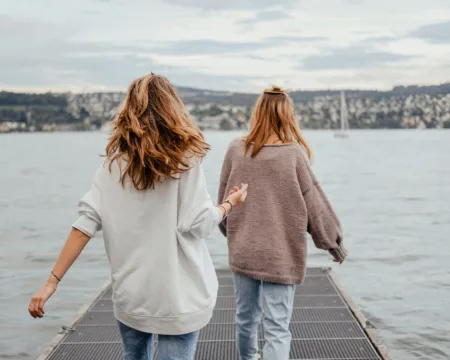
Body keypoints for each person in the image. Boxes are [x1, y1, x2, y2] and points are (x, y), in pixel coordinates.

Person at [28, 74, 248, 360]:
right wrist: (229, 204)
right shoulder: (186, 162)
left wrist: (51, 283)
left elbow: (83, 227)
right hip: (178, 297)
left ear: (128, 111)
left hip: (132, 297)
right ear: (173, 108)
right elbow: (198, 224)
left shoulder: (112, 167)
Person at [218, 85, 347, 360]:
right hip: (281, 253)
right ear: (288, 116)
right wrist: (332, 243)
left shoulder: (235, 149)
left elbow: (223, 199)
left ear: (258, 113)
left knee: (245, 318)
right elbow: (315, 206)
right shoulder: (293, 155)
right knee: (277, 327)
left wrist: (232, 232)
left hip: (244, 248)